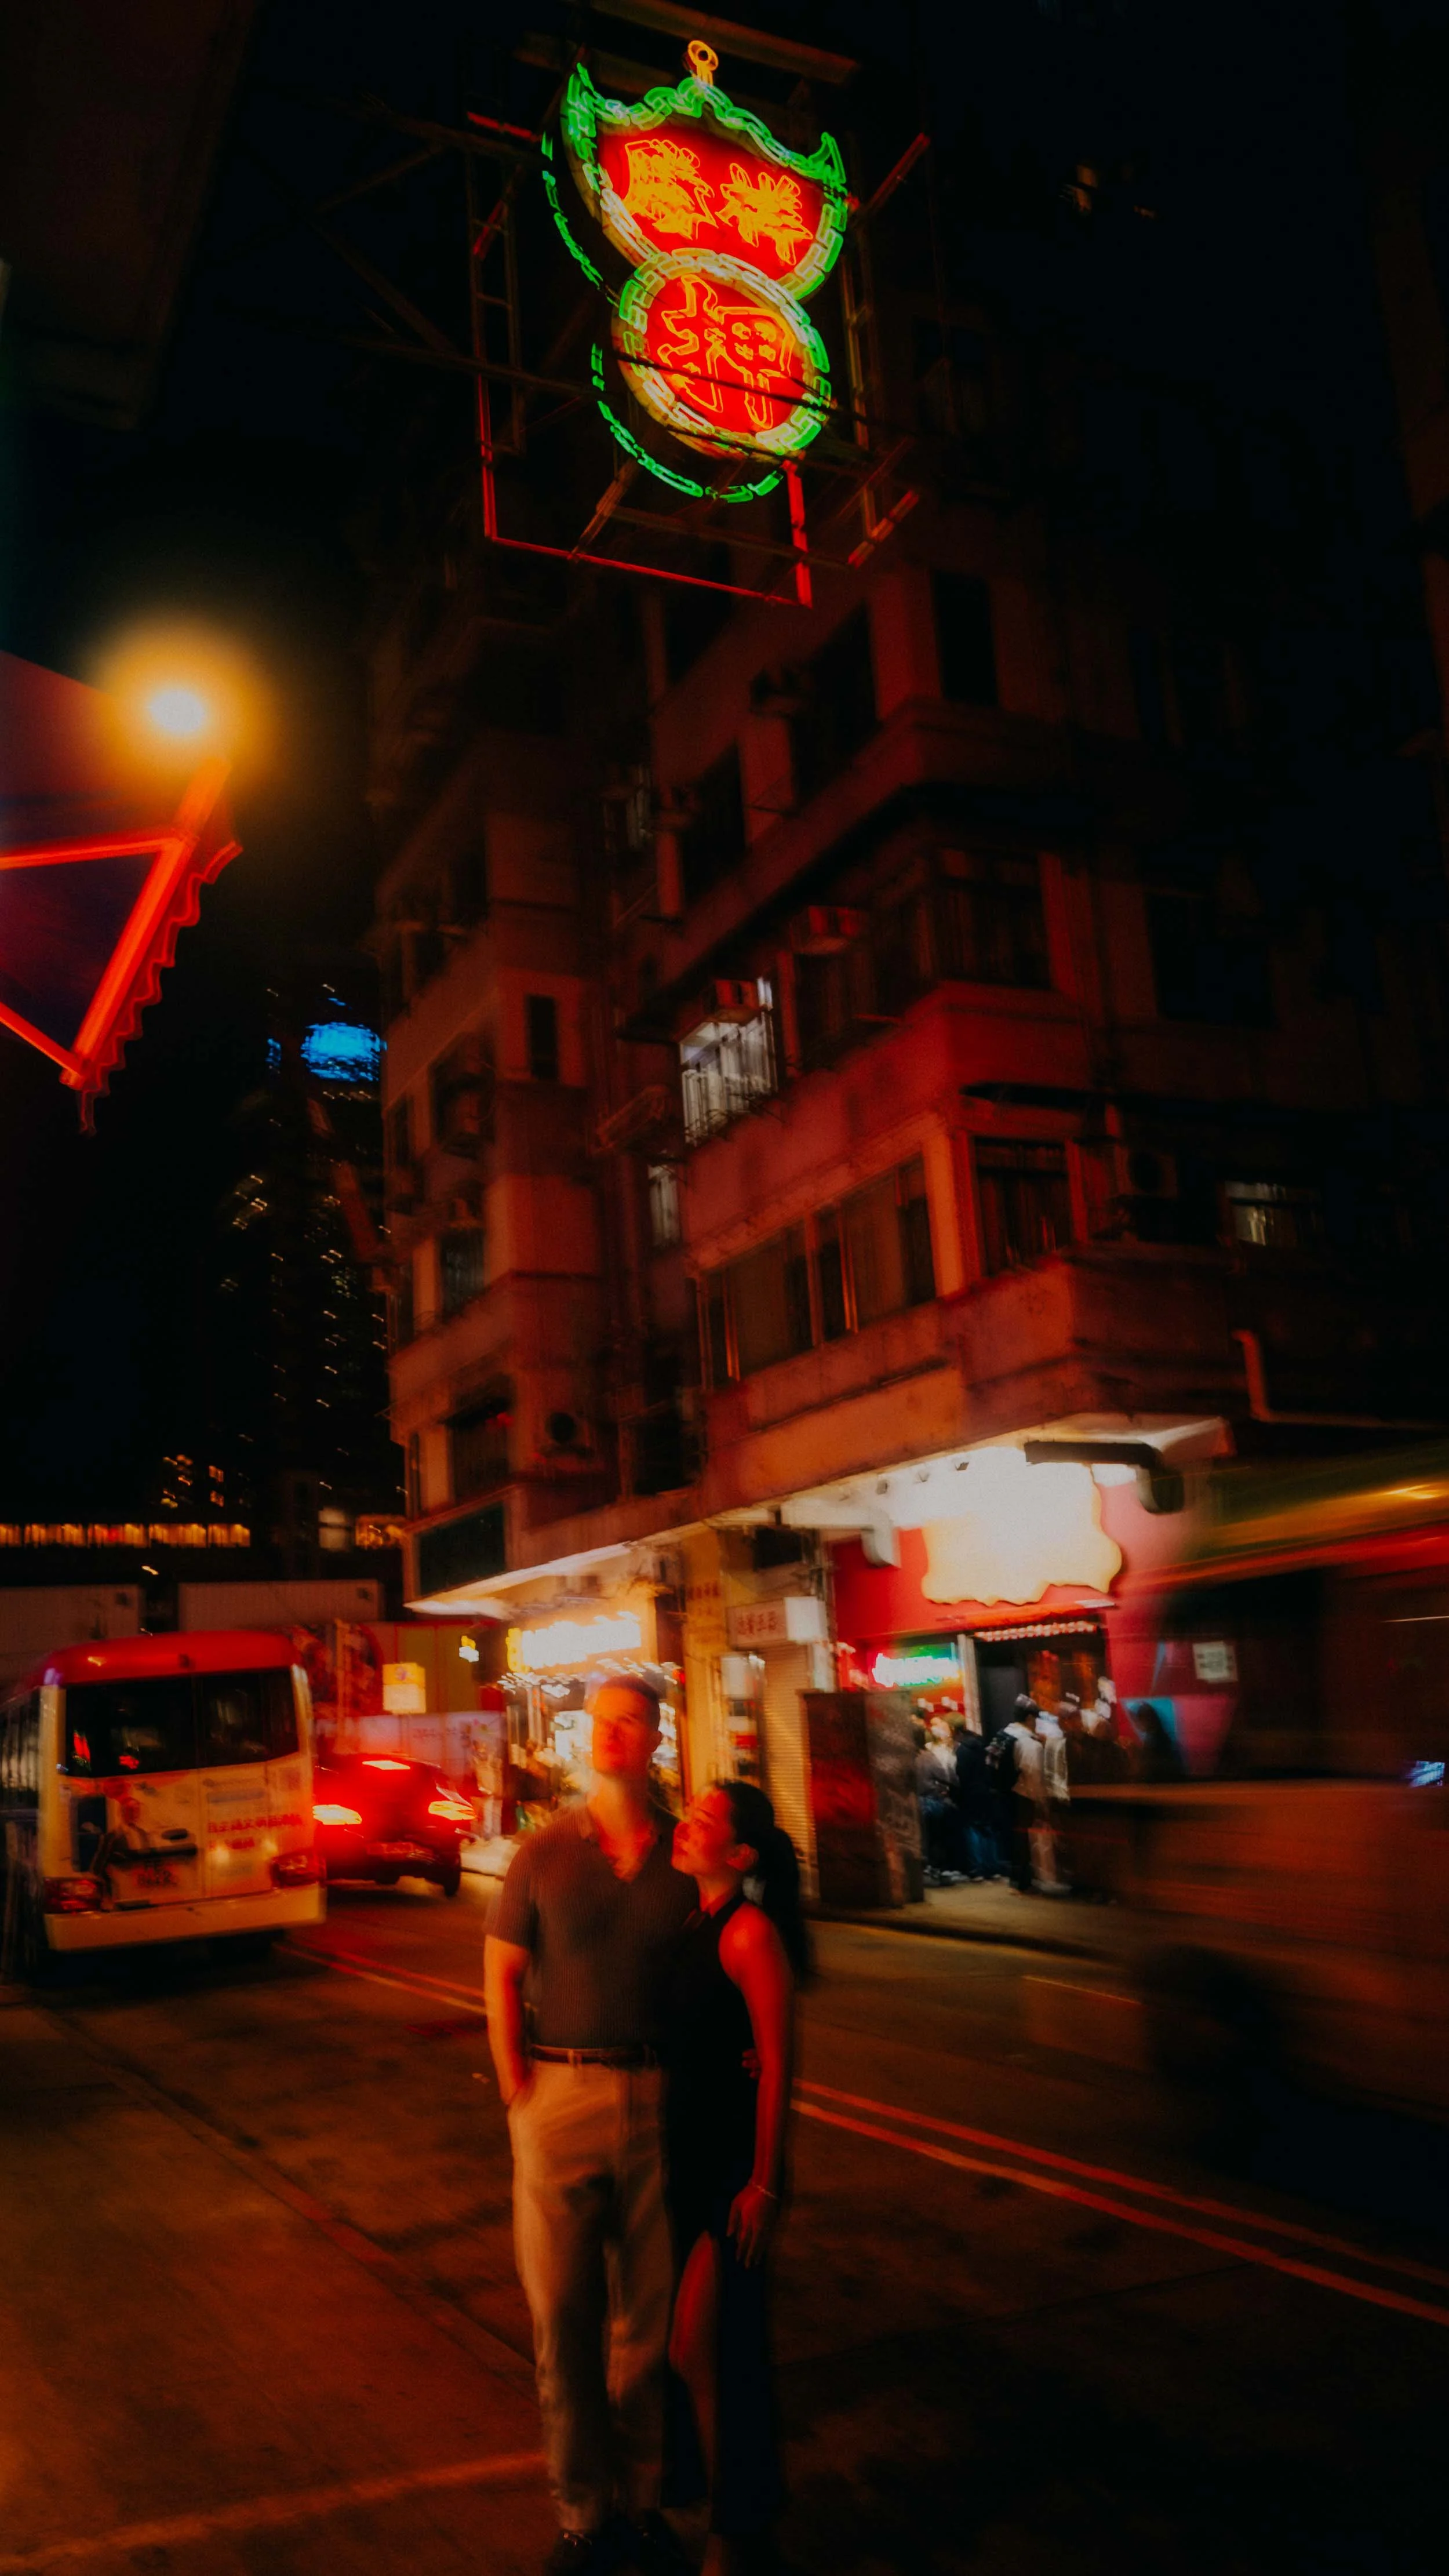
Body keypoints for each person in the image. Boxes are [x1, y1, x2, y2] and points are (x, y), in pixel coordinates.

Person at [485, 1678, 697, 2576]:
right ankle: (581, 2511)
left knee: (648, 2327)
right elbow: (499, 1976)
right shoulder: (542, 1855)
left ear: (655, 1738)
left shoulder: (685, 1858)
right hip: (560, 2099)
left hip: (659, 2101)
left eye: (629, 1722)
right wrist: (518, 2090)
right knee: (563, 2321)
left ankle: (643, 2503)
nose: (611, 1735)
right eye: (599, 1722)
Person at [664, 1779, 806, 2574]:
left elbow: (779, 2061)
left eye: (705, 1821)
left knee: (703, 2349)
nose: (686, 1825)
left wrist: (763, 2184)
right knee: (707, 2354)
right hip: (690, 2163)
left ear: (741, 1853)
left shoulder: (749, 1933)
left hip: (733, 2175)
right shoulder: (698, 1922)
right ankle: (740, 2518)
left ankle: (734, 2532)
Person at [950, 1723, 999, 1880]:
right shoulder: (982, 1747)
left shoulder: (962, 1751)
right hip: (985, 1792)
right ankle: (992, 1867)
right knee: (987, 1829)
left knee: (972, 1829)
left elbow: (961, 1775)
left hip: (970, 1793)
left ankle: (977, 1868)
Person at [914, 1719, 960, 1884]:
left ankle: (923, 1871)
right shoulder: (928, 1757)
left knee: (921, 1840)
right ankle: (936, 1869)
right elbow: (948, 1777)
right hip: (931, 1803)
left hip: (912, 1804)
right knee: (935, 1838)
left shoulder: (904, 1758)